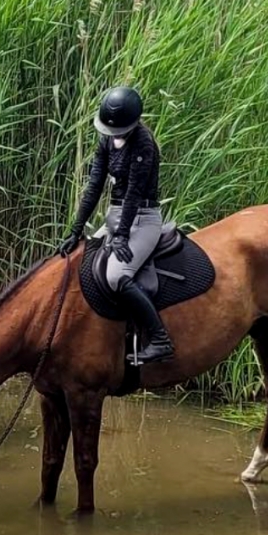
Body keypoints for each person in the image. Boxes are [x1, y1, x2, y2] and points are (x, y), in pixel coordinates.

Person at [57, 86, 174, 363]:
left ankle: (160, 339)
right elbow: (95, 185)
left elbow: (134, 192)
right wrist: (76, 229)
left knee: (115, 276)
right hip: (115, 216)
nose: (115, 136)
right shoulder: (106, 139)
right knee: (78, 261)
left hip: (143, 219)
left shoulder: (143, 143)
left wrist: (121, 236)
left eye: (120, 130)